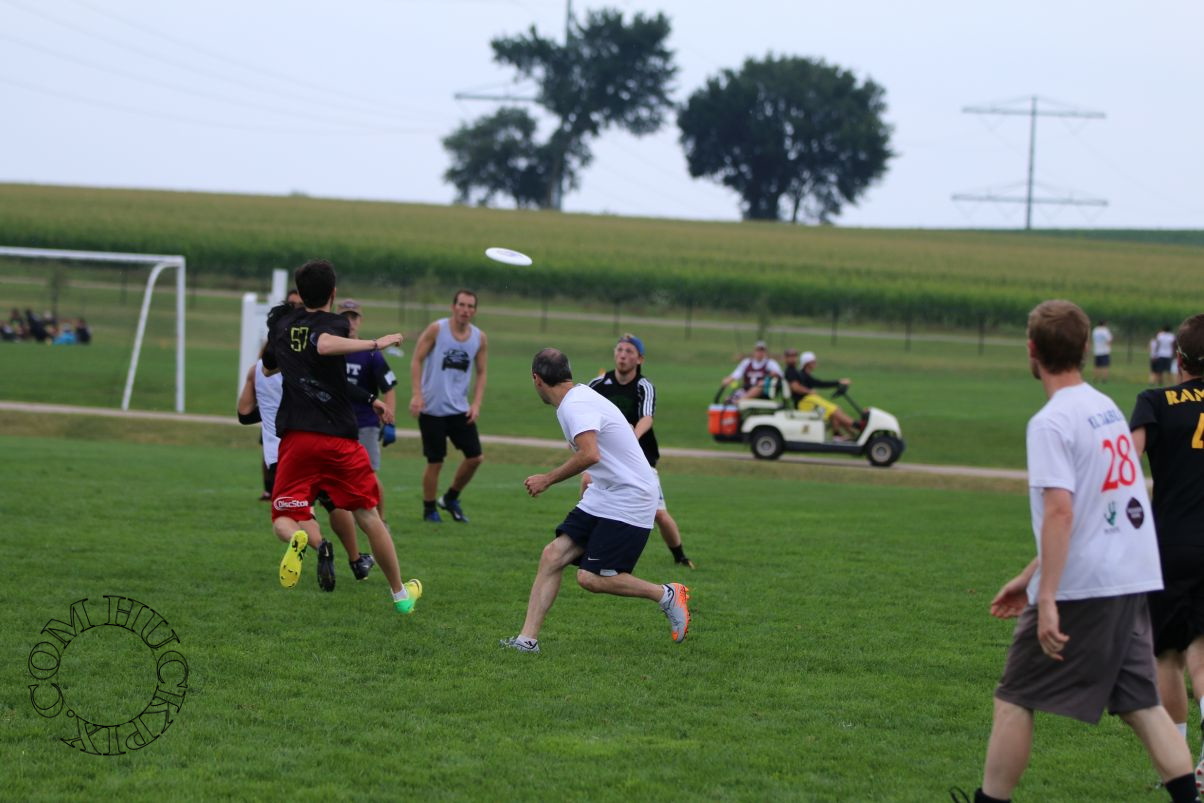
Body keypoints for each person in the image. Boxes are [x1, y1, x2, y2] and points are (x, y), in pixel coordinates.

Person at [959, 300, 1196, 803]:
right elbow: (1099, 506)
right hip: (1132, 575)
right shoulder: (1104, 407)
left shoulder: (1051, 421)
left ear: (1031, 350)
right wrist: (1030, 574)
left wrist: (1046, 596)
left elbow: (1062, 512)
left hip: (1085, 584)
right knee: (1141, 704)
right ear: (1086, 348)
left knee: (1014, 696)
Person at [500, 348, 690, 654]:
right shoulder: (576, 399)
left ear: (536, 379)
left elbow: (590, 454)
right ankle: (527, 641)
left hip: (631, 495)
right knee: (552, 555)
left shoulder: (575, 405)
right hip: (605, 491)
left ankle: (666, 594)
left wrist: (547, 479)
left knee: (590, 578)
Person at [262, 258, 420, 614]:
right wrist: (375, 343)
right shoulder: (335, 324)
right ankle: (400, 595)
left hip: (297, 439)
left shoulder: (283, 324)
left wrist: (368, 398)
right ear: (333, 293)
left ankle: (298, 538)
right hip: (338, 440)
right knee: (368, 515)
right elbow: (323, 345)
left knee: (283, 516)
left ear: (300, 292)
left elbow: (270, 367)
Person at [1129, 314, 1204, 780]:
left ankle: (1177, 766)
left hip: (1172, 543)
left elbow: (1126, 462)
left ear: (1178, 358)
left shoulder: (1155, 400)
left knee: (1168, 655)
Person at [237, 346, 375, 585]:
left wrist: (270, 409)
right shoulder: (303, 366)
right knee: (335, 504)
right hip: (314, 445)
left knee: (294, 513)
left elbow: (244, 414)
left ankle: (320, 546)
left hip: (280, 455)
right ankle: (356, 561)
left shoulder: (255, 372)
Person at [586, 333, 695, 569]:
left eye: (629, 352)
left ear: (640, 359)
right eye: (619, 350)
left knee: (659, 514)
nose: (623, 355)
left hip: (640, 458)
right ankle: (586, 537)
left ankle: (680, 556)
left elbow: (647, 417)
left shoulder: (643, 386)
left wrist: (630, 438)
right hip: (608, 456)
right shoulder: (598, 384)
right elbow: (583, 410)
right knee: (587, 481)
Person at [409, 289, 488, 523]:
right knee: (435, 462)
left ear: (475, 311)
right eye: (461, 305)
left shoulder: (479, 338)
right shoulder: (437, 329)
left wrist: (476, 403)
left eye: (470, 306)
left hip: (459, 409)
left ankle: (451, 498)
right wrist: (417, 395)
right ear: (453, 307)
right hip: (432, 408)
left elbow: (482, 372)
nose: (465, 310)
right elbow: (416, 359)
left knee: (475, 457)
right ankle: (429, 509)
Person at [337, 298, 397, 523]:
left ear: (360, 321)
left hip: (365, 423)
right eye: (344, 317)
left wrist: (389, 422)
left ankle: (381, 521)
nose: (350, 322)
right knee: (340, 476)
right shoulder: (332, 350)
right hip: (337, 424)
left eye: (353, 317)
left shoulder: (371, 353)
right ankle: (348, 520)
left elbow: (389, 387)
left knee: (368, 475)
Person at [784, 350, 858, 439]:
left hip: (808, 401)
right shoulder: (792, 372)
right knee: (834, 410)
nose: (793, 359)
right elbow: (795, 387)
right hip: (805, 403)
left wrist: (838, 382)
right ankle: (857, 426)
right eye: (790, 356)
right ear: (807, 363)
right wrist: (809, 391)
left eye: (795, 356)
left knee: (835, 410)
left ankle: (846, 435)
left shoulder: (797, 372)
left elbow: (819, 383)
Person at [1092, 319, 1113, 383]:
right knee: (1105, 366)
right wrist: (1109, 346)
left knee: (1097, 366)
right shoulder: (1105, 330)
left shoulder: (1095, 330)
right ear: (1104, 324)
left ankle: (1095, 379)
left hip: (1097, 351)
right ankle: (1104, 379)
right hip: (1104, 351)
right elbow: (1109, 340)